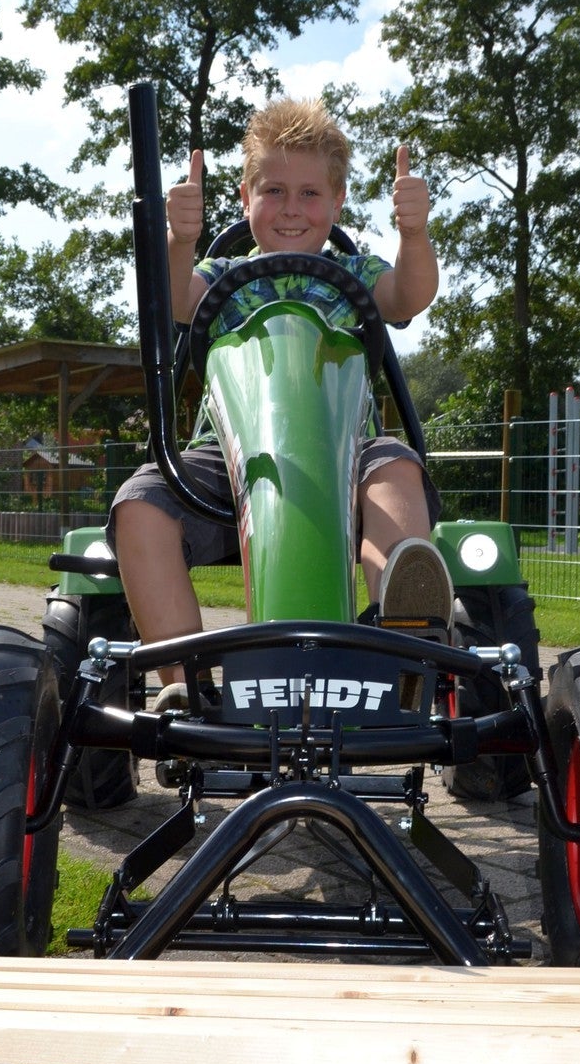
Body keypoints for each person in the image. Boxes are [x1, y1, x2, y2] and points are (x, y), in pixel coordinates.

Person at [108, 97, 453, 692]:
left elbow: (409, 296)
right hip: (232, 460)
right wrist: (178, 239)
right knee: (139, 503)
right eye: (273, 191)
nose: (291, 209)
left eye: (310, 193)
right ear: (245, 198)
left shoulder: (361, 277)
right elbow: (167, 299)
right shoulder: (218, 277)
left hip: (349, 453)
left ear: (337, 200)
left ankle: (407, 630)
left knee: (397, 470)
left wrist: (414, 232)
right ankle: (182, 682)